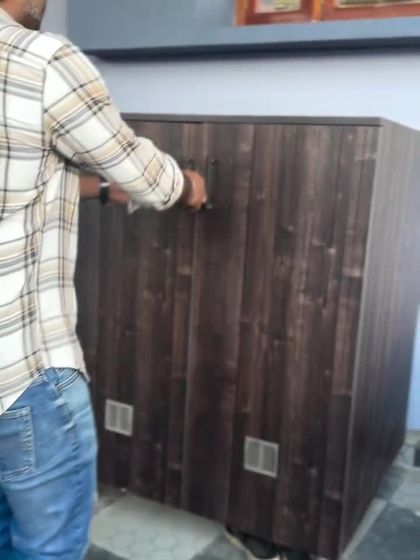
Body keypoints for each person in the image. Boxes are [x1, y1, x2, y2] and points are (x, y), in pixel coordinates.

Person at [0, 1, 207, 558]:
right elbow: (144, 175)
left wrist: (104, 191)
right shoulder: (40, 60)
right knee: (49, 546)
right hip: (23, 376)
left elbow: (21, 174)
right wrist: (187, 185)